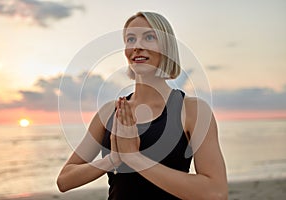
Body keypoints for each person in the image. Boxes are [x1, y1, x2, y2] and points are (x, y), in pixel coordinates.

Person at [57, 11, 228, 200]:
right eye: (130, 39)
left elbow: (216, 192)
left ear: (167, 47)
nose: (137, 46)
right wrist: (112, 160)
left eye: (148, 37)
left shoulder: (192, 111)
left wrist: (134, 158)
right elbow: (64, 181)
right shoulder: (109, 112)